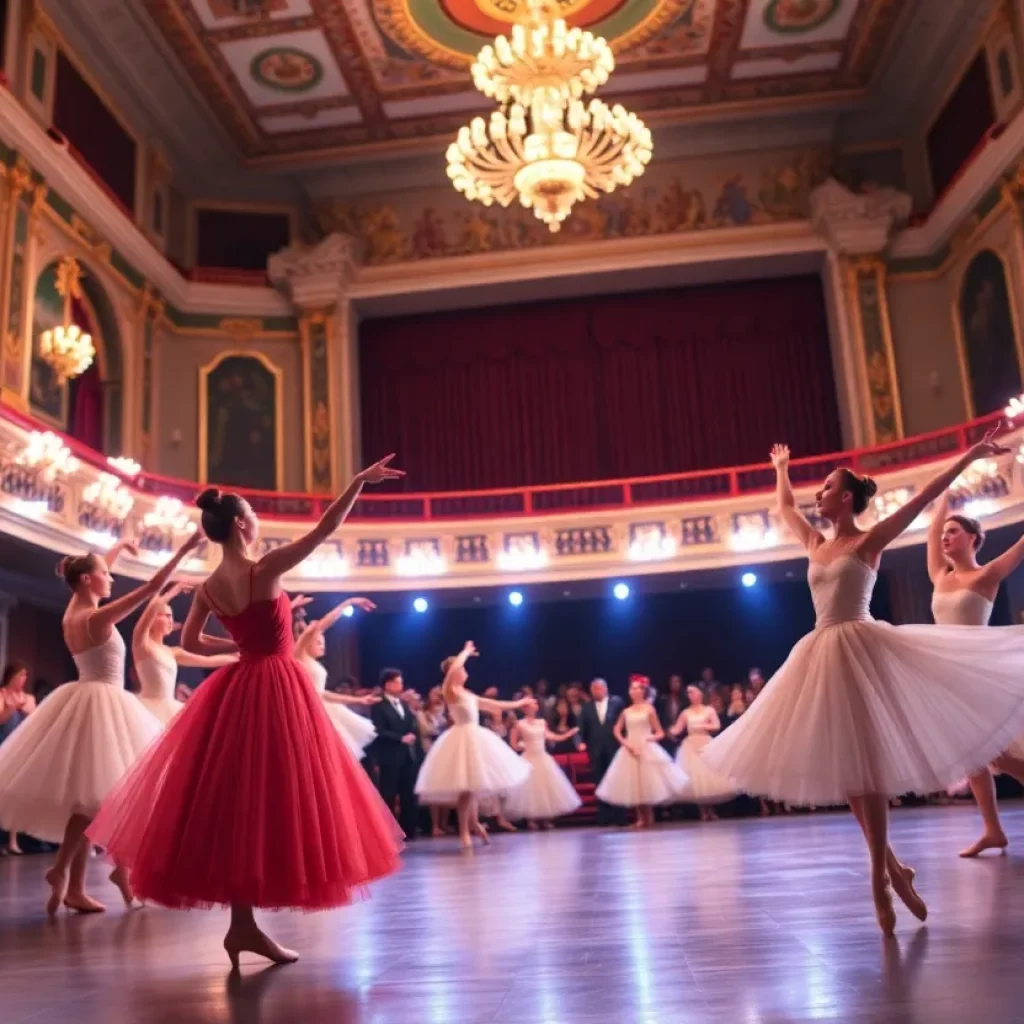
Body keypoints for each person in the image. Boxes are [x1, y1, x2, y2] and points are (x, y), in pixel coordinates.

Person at [87, 456, 405, 967]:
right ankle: (243, 929)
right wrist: (357, 483)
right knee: (274, 799)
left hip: (240, 685)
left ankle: (243, 928)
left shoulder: (209, 587)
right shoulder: (266, 567)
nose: (256, 518)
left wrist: (238, 647)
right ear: (240, 524)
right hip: (276, 686)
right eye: (252, 513)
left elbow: (190, 640)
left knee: (239, 803)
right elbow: (326, 529)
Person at [703, 433, 1024, 935]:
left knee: (867, 770)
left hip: (863, 650)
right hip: (820, 651)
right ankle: (894, 869)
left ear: (846, 497)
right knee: (852, 772)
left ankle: (879, 877)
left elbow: (922, 497)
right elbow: (785, 506)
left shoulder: (869, 540)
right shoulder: (815, 542)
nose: (819, 495)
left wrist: (969, 456)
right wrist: (781, 468)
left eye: (826, 487)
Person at [0, 535, 197, 914]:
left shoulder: (73, 610)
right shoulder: (96, 617)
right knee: (95, 800)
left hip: (85, 698)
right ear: (88, 580)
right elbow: (152, 587)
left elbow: (87, 573)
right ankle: (64, 872)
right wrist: (186, 549)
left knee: (87, 800)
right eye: (106, 574)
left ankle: (73, 885)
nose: (112, 578)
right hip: (103, 702)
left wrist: (118, 549)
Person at [927, 491, 1024, 857]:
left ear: (972, 538)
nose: (945, 538)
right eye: (943, 535)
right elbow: (932, 534)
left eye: (953, 532)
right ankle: (993, 830)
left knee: (994, 754)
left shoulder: (987, 574)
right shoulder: (939, 575)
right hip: (947, 678)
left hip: (979, 674)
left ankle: (994, 830)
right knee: (973, 758)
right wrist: (942, 502)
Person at [415, 642, 535, 849]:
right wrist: (466, 652)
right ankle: (465, 832)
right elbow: (452, 669)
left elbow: (494, 705)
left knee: (473, 790)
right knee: (466, 791)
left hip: (475, 737)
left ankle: (474, 824)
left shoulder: (467, 694)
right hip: (462, 738)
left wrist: (518, 704)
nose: (464, 671)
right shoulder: (449, 690)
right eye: (462, 668)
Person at [132, 582, 238, 724]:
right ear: (152, 619)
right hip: (147, 709)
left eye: (171, 616)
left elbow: (209, 661)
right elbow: (151, 608)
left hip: (169, 707)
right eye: (166, 615)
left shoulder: (173, 652)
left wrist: (239, 657)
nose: (171, 620)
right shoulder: (142, 644)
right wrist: (173, 591)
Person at [293, 596, 379, 760]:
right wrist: (348, 603)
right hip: (308, 711)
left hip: (322, 708)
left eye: (323, 642)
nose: (322, 644)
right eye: (318, 642)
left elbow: (322, 694)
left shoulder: (310, 661)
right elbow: (321, 625)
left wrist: (359, 700)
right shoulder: (299, 655)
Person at [595, 676, 685, 829]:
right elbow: (616, 730)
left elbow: (660, 732)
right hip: (630, 747)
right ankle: (640, 818)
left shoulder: (649, 709)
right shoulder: (626, 711)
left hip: (646, 747)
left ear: (644, 691)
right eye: (632, 688)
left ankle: (649, 818)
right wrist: (626, 743)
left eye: (638, 688)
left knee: (647, 782)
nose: (635, 691)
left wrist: (649, 739)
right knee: (634, 783)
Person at [505, 702, 581, 830]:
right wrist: (522, 746)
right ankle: (531, 819)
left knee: (545, 787)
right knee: (530, 789)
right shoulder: (519, 724)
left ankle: (546, 819)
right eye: (528, 705)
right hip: (528, 758)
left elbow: (551, 736)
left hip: (542, 757)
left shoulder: (541, 722)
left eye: (533, 704)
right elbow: (513, 743)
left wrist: (567, 735)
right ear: (524, 708)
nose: (531, 707)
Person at [371, 668, 422, 839]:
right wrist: (400, 738)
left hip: (407, 755)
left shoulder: (404, 705)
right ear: (388, 684)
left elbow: (411, 723)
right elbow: (378, 730)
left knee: (408, 792)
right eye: (397, 682)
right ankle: (389, 832)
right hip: (390, 755)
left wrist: (412, 733)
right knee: (389, 793)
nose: (400, 685)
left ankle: (409, 829)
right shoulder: (379, 705)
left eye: (401, 681)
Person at [671, 685, 735, 821]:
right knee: (696, 778)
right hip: (691, 745)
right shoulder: (686, 712)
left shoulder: (709, 710)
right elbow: (677, 728)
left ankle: (710, 810)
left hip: (705, 742)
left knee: (708, 774)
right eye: (689, 693)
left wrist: (703, 726)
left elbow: (716, 725)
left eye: (693, 692)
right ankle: (703, 811)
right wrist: (669, 731)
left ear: (700, 694)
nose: (691, 695)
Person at [577, 678, 624, 825]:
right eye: (593, 689)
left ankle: (619, 816)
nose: (595, 692)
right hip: (595, 750)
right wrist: (580, 743)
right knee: (600, 781)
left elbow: (624, 724)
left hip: (614, 748)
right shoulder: (586, 707)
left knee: (616, 780)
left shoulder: (617, 703)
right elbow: (580, 728)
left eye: (598, 689)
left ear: (605, 689)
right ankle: (604, 816)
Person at [0, 662, 36, 855]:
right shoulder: (2, 694)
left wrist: (24, 709)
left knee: (15, 793)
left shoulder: (28, 697)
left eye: (25, 675)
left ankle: (13, 840)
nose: (23, 679)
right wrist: (10, 708)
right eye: (20, 675)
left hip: (20, 747)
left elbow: (36, 718)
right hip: (3, 743)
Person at [656, 674, 686, 755]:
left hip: (682, 739)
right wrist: (667, 732)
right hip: (666, 739)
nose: (675, 684)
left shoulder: (685, 701)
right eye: (673, 681)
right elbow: (659, 719)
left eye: (677, 681)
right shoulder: (662, 700)